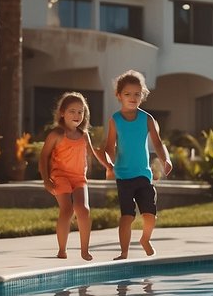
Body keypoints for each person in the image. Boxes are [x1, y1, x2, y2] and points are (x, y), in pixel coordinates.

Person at [103, 70, 172, 259]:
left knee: (150, 215)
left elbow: (158, 142)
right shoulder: (115, 120)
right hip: (124, 176)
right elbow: (109, 147)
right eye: (127, 94)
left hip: (143, 174)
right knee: (127, 216)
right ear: (119, 96)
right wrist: (108, 163)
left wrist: (166, 159)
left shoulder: (147, 118)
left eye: (137, 94)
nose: (132, 98)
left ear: (142, 95)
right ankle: (124, 252)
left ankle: (145, 239)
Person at [38, 91, 110, 261]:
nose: (77, 115)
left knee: (84, 210)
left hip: (78, 178)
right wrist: (46, 180)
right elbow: (43, 157)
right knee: (67, 209)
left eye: (80, 111)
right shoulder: (56, 135)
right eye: (72, 111)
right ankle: (62, 249)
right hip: (60, 176)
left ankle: (84, 250)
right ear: (62, 112)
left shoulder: (84, 135)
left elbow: (95, 153)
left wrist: (109, 166)